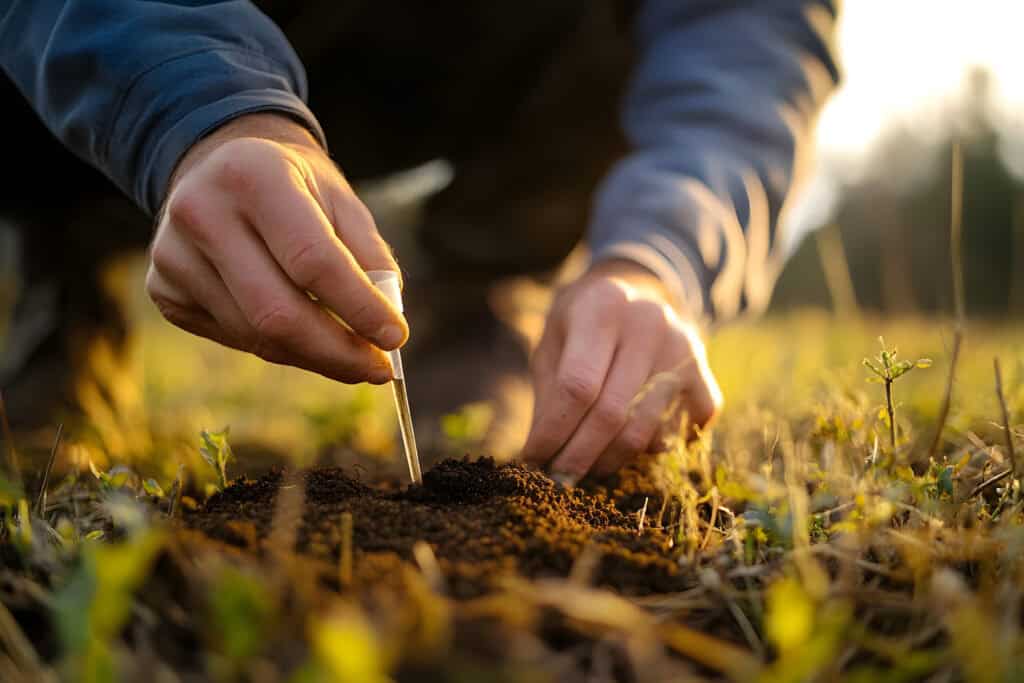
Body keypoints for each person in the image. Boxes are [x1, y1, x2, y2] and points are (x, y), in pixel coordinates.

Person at [0, 1, 837, 483]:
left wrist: (659, 256)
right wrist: (193, 110)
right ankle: (62, 267)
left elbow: (747, 37)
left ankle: (489, 291)